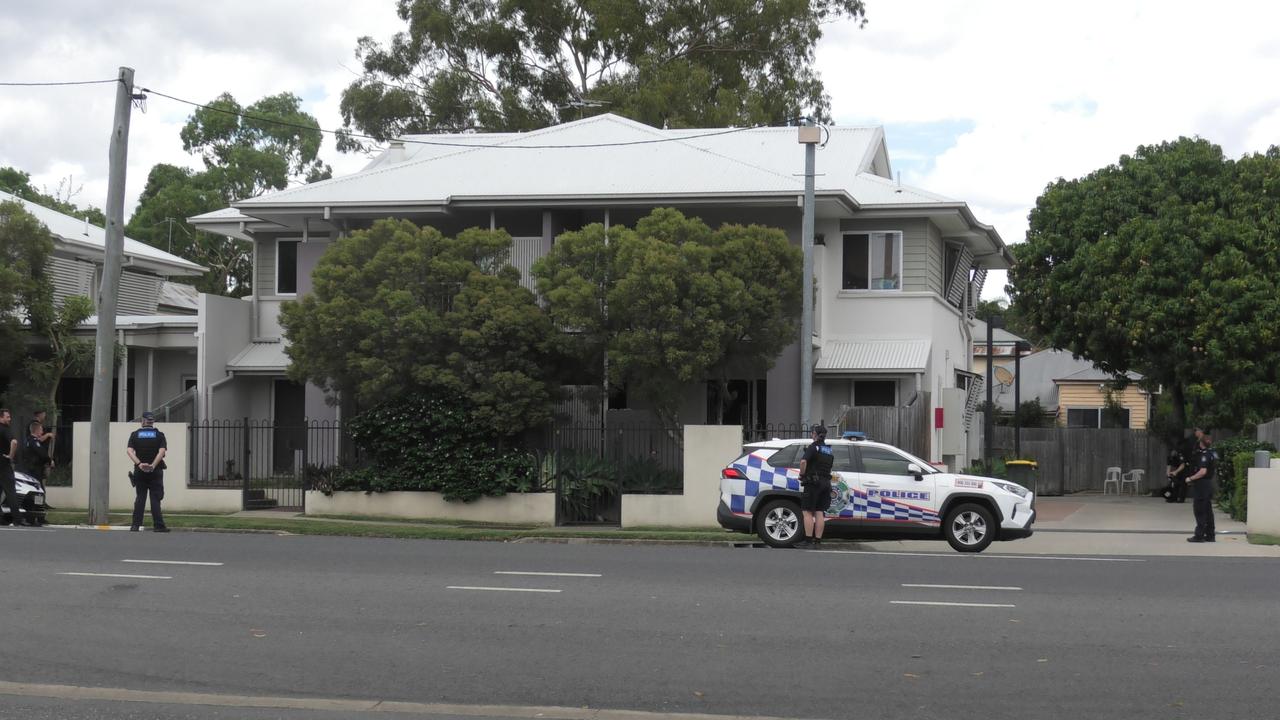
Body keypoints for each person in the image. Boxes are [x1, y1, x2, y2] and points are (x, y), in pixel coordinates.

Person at [126, 411, 169, 533]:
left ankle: (135, 526)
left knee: (140, 498)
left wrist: (140, 464)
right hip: (155, 472)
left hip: (140, 472)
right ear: (152, 421)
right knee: (155, 498)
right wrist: (153, 465)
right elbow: (161, 452)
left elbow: (129, 451)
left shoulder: (134, 435)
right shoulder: (159, 435)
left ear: (142, 421)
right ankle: (159, 526)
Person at [795, 424, 835, 548]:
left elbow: (803, 461)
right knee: (819, 512)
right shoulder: (829, 450)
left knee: (807, 512)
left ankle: (807, 541)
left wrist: (802, 474)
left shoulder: (813, 447)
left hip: (813, 483)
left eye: (812, 433)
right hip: (826, 483)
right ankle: (817, 542)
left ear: (815, 435)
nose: (811, 435)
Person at [1185, 430, 1217, 543]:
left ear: (1201, 443)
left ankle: (1199, 535)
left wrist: (1191, 478)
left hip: (1202, 485)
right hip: (1208, 485)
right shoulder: (1212, 453)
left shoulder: (1204, 455)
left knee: (1200, 510)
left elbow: (1202, 471)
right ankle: (1210, 535)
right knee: (1208, 510)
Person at [0, 408, 26, 527]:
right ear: (1, 418)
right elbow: (14, 442)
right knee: (11, 493)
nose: (9, 419)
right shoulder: (5, 430)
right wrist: (11, 455)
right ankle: (17, 520)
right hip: (4, 465)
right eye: (7, 417)